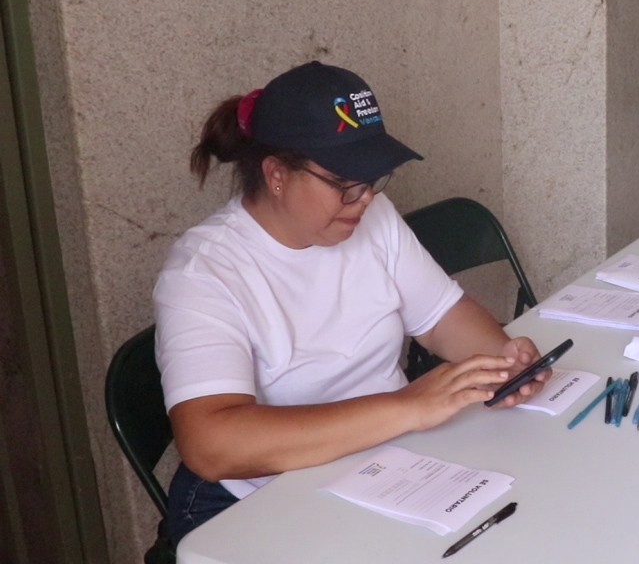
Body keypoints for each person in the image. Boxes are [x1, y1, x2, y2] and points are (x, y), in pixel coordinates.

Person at [153, 61, 547, 544]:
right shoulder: (206, 272)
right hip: (258, 494)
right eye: (345, 185)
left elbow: (443, 316)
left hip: (383, 463)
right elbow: (211, 445)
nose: (363, 200)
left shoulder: (371, 217)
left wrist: (502, 365)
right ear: (276, 174)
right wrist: (407, 407)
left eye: (373, 180)